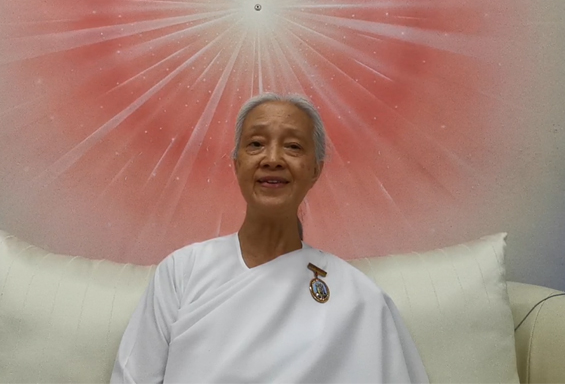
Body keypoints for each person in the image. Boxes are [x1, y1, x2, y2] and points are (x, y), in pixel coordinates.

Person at [111, 93, 428, 383]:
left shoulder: (358, 297)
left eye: (293, 146)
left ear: (315, 170)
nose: (272, 158)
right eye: (256, 144)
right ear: (237, 164)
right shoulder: (182, 272)